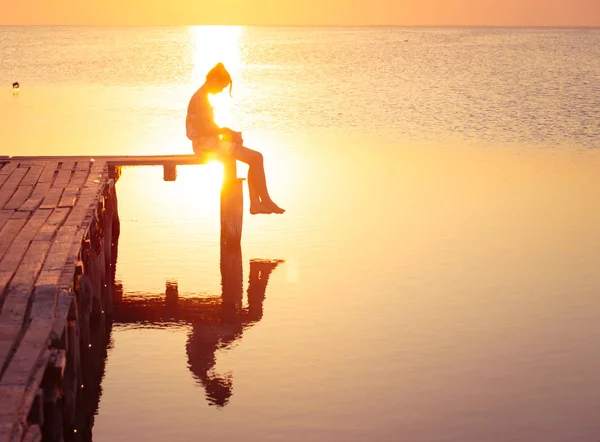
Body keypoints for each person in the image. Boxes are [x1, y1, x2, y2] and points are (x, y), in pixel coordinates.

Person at [186, 63, 285, 215]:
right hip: (205, 146)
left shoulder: (202, 96)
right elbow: (203, 129)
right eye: (221, 87)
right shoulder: (200, 99)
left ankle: (257, 203)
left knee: (254, 159)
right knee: (257, 158)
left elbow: (207, 127)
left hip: (209, 143)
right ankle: (263, 201)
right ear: (214, 80)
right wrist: (226, 131)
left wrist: (228, 134)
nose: (221, 91)